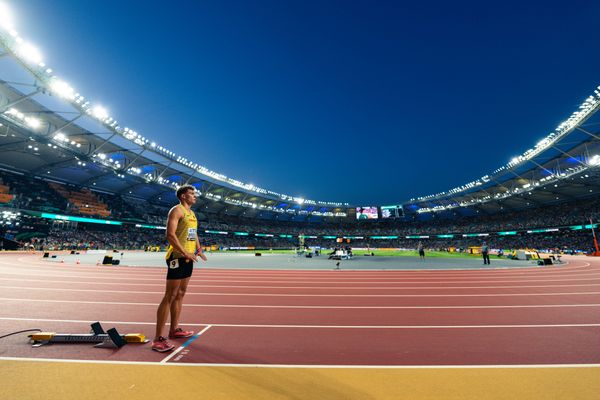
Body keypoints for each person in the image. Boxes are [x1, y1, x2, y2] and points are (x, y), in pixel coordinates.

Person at [152, 185, 207, 352]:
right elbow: (170, 234)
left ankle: (174, 330)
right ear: (183, 196)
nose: (194, 196)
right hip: (177, 257)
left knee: (181, 294)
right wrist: (184, 252)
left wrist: (198, 249)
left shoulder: (192, 214)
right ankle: (157, 339)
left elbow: (193, 232)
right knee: (170, 295)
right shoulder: (176, 210)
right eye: (191, 194)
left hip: (189, 257)